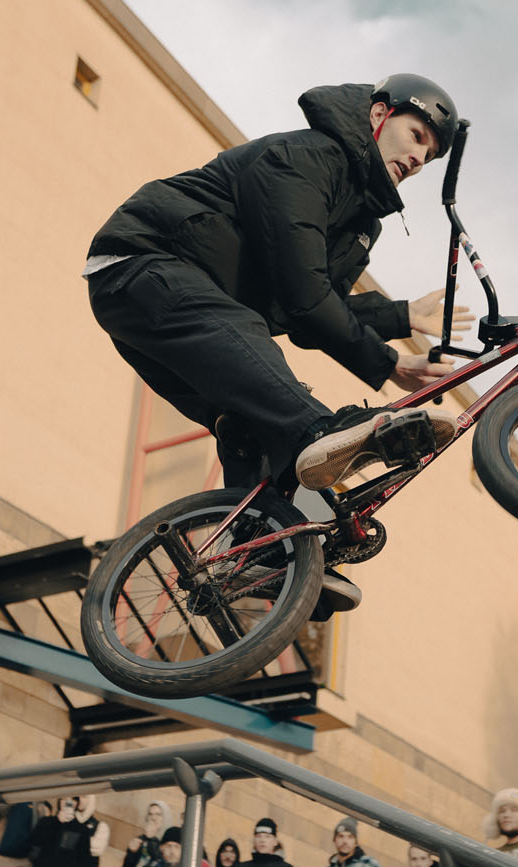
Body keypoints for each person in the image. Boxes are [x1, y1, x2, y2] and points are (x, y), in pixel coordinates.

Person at [85, 74, 474, 614]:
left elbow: (319, 303)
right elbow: (303, 297)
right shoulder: (306, 157)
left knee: (251, 426)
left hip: (170, 310)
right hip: (146, 264)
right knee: (275, 380)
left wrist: (397, 318)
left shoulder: (361, 225)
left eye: (429, 157)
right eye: (415, 137)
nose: (417, 160)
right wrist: (382, 362)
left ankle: (256, 554)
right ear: (379, 115)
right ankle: (319, 428)